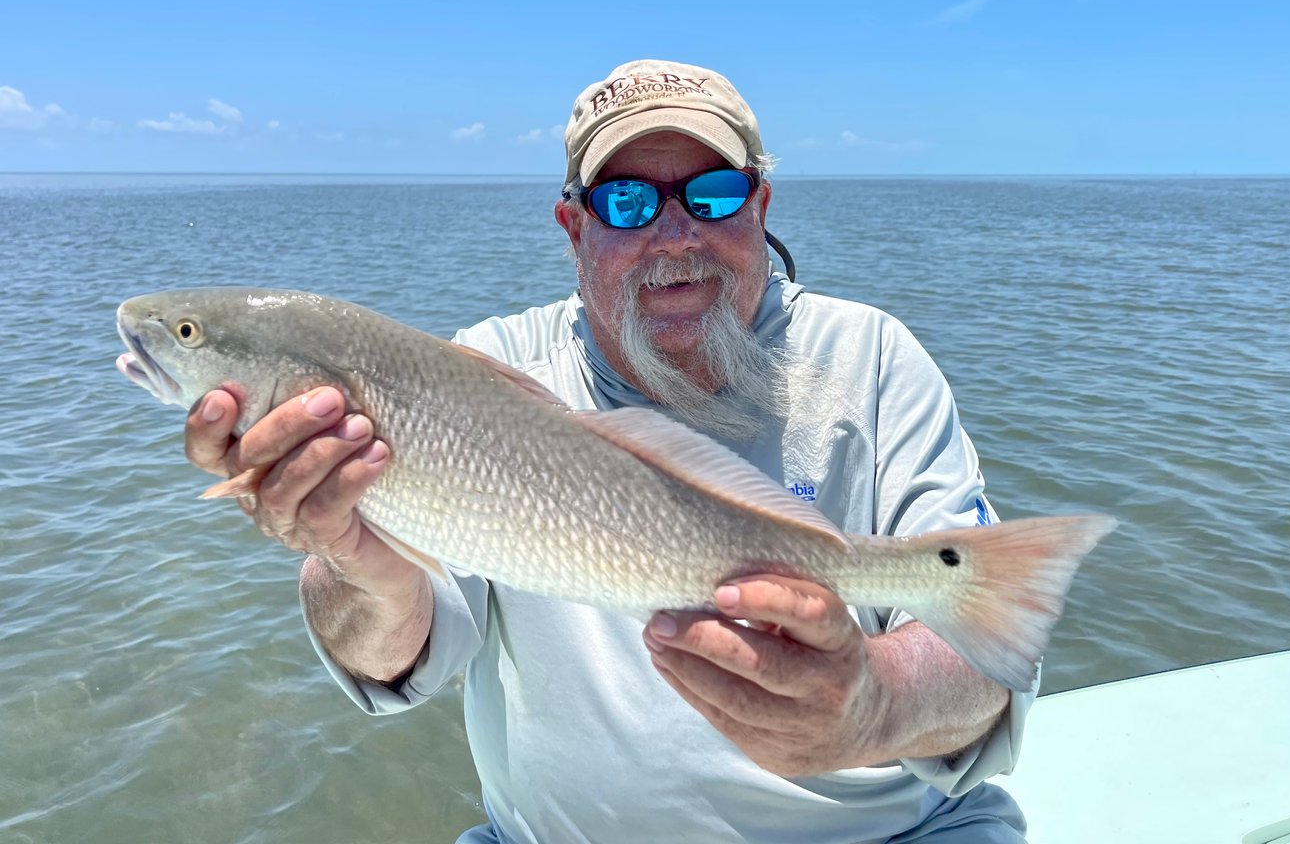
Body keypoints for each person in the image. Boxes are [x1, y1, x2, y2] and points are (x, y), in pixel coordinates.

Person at [183, 59, 1033, 842]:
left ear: (760, 208)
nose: (675, 235)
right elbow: (395, 653)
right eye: (626, 202)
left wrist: (872, 704)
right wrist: (350, 558)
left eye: (713, 194)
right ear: (573, 227)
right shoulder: (482, 372)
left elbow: (980, 655)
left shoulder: (873, 358)